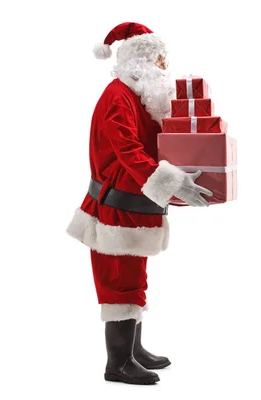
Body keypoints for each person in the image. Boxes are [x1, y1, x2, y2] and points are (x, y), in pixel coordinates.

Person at [66, 21, 213, 385]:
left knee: (134, 277)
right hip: (116, 209)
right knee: (119, 282)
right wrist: (174, 184)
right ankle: (118, 363)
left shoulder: (140, 96)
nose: (165, 65)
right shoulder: (118, 96)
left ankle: (133, 349)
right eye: (159, 58)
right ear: (140, 61)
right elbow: (129, 152)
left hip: (136, 204)